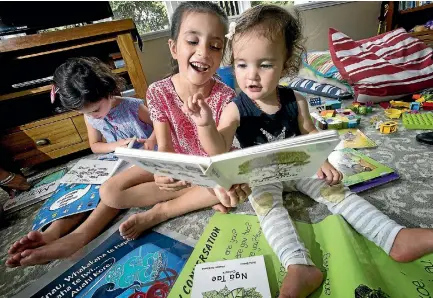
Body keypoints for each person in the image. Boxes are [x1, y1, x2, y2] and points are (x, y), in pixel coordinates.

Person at [183, 5, 433, 298]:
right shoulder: (234, 109)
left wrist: (322, 160)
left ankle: (393, 237)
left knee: (339, 193)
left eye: (264, 65)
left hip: (300, 166)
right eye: (241, 65)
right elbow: (218, 148)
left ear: (285, 63)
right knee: (267, 207)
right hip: (263, 174)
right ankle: (299, 266)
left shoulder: (296, 100)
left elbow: (310, 133)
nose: (252, 76)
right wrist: (205, 125)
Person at [99, 1, 251, 241]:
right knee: (109, 192)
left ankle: (163, 211)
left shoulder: (226, 97)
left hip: (210, 167)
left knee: (229, 184)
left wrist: (205, 126)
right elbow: (165, 147)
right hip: (178, 164)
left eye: (215, 46)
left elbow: (221, 154)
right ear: (173, 47)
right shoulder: (158, 91)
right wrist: (163, 173)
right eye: (193, 41)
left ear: (222, 54)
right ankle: (196, 194)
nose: (203, 52)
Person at [6, 57, 156, 267]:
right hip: (116, 159)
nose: (94, 115)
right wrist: (116, 145)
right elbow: (95, 146)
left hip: (143, 158)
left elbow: (162, 126)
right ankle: (52, 232)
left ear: (107, 90)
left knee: (110, 192)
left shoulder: (133, 107)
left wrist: (149, 142)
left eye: (96, 109)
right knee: (84, 187)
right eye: (86, 112)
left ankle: (78, 237)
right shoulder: (90, 116)